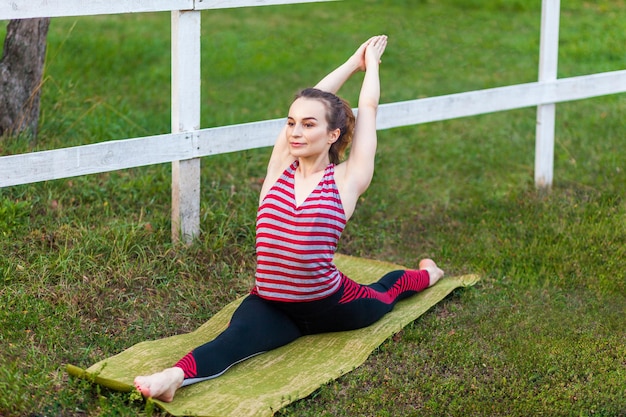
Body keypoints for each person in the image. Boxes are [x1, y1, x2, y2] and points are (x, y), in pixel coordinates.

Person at [134, 35, 443, 403]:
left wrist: (371, 66)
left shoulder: (346, 180)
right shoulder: (280, 168)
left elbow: (369, 108)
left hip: (331, 304)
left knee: (385, 293)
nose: (296, 132)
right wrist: (350, 63)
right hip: (271, 303)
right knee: (230, 342)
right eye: (291, 123)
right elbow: (312, 95)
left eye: (309, 125)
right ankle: (173, 377)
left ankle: (429, 273)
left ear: (333, 134)